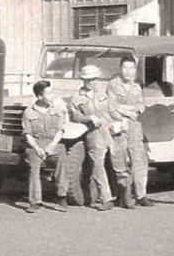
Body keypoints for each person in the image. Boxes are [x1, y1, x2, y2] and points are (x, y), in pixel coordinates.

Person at [107, 56, 153, 209]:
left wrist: (129, 110)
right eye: (125, 68)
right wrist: (128, 112)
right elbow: (112, 106)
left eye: (131, 68)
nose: (128, 72)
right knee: (119, 161)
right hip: (119, 126)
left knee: (138, 161)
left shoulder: (137, 87)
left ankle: (141, 195)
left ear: (135, 70)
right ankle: (123, 195)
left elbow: (141, 106)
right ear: (120, 69)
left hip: (134, 127)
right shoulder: (113, 85)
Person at [68, 65, 116, 211]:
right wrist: (88, 118)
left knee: (120, 164)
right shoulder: (77, 98)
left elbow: (114, 110)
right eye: (88, 79)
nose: (91, 82)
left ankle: (125, 195)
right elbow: (75, 116)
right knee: (98, 166)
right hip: (94, 134)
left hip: (111, 132)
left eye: (94, 79)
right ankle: (106, 198)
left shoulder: (105, 94)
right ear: (82, 80)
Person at [21, 80, 69, 214]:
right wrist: (37, 148)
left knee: (62, 159)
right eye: (49, 94)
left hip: (53, 143)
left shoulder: (57, 109)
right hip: (36, 144)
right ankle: (35, 201)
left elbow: (60, 130)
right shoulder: (29, 112)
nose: (52, 96)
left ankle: (61, 196)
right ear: (40, 96)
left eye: (52, 92)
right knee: (34, 165)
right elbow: (28, 134)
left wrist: (51, 146)